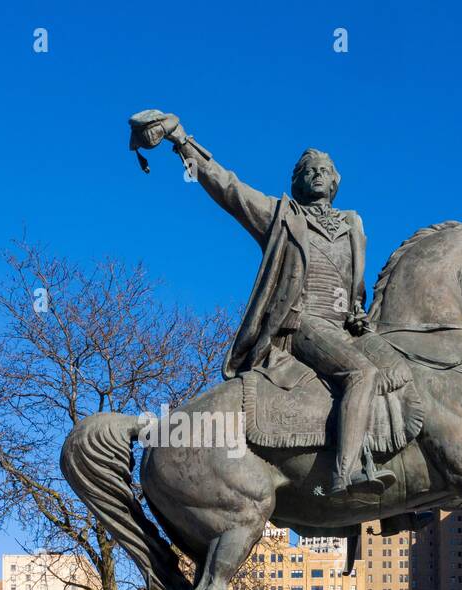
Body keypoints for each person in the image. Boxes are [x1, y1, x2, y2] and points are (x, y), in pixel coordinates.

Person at [133, 110, 396, 497]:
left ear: (336, 180)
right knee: (362, 375)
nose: (316, 174)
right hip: (302, 324)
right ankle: (344, 477)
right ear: (297, 181)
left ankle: (399, 500)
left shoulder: (353, 225)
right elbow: (229, 188)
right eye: (308, 170)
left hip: (346, 329)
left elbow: (354, 287)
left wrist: (358, 312)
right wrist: (182, 142)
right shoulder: (282, 217)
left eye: (323, 169)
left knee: (403, 370)